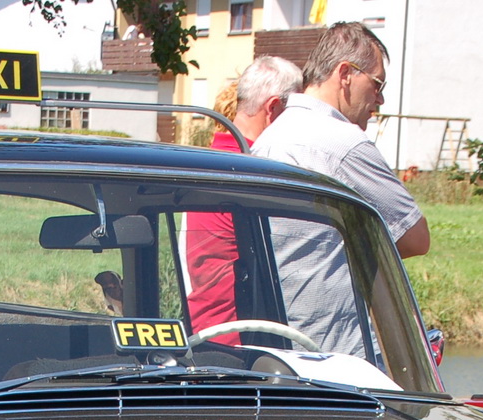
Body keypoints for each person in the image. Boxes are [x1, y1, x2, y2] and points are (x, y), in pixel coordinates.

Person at [251, 22, 429, 359]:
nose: (380, 98)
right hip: (341, 356)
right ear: (345, 73)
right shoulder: (343, 143)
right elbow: (416, 238)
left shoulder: (269, 138)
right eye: (377, 84)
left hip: (278, 350)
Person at [182, 57, 304, 343]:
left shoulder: (211, 158)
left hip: (205, 330)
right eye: (295, 113)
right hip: (243, 342)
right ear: (273, 108)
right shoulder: (252, 173)